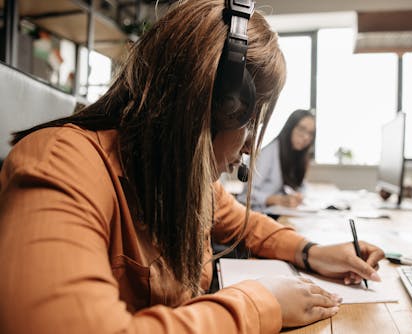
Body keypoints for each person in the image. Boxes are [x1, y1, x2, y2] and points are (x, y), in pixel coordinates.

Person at [0, 1, 384, 333]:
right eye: (248, 123)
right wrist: (257, 304)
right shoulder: (62, 164)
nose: (251, 147)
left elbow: (246, 224)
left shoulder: (187, 178)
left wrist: (310, 252)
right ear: (213, 106)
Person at [238, 109, 315, 211]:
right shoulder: (268, 153)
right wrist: (275, 200)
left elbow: (301, 185)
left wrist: (299, 196)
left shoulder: (296, 155)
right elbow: (246, 194)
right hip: (257, 214)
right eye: (301, 129)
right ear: (290, 127)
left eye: (310, 133)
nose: (306, 137)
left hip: (277, 212)